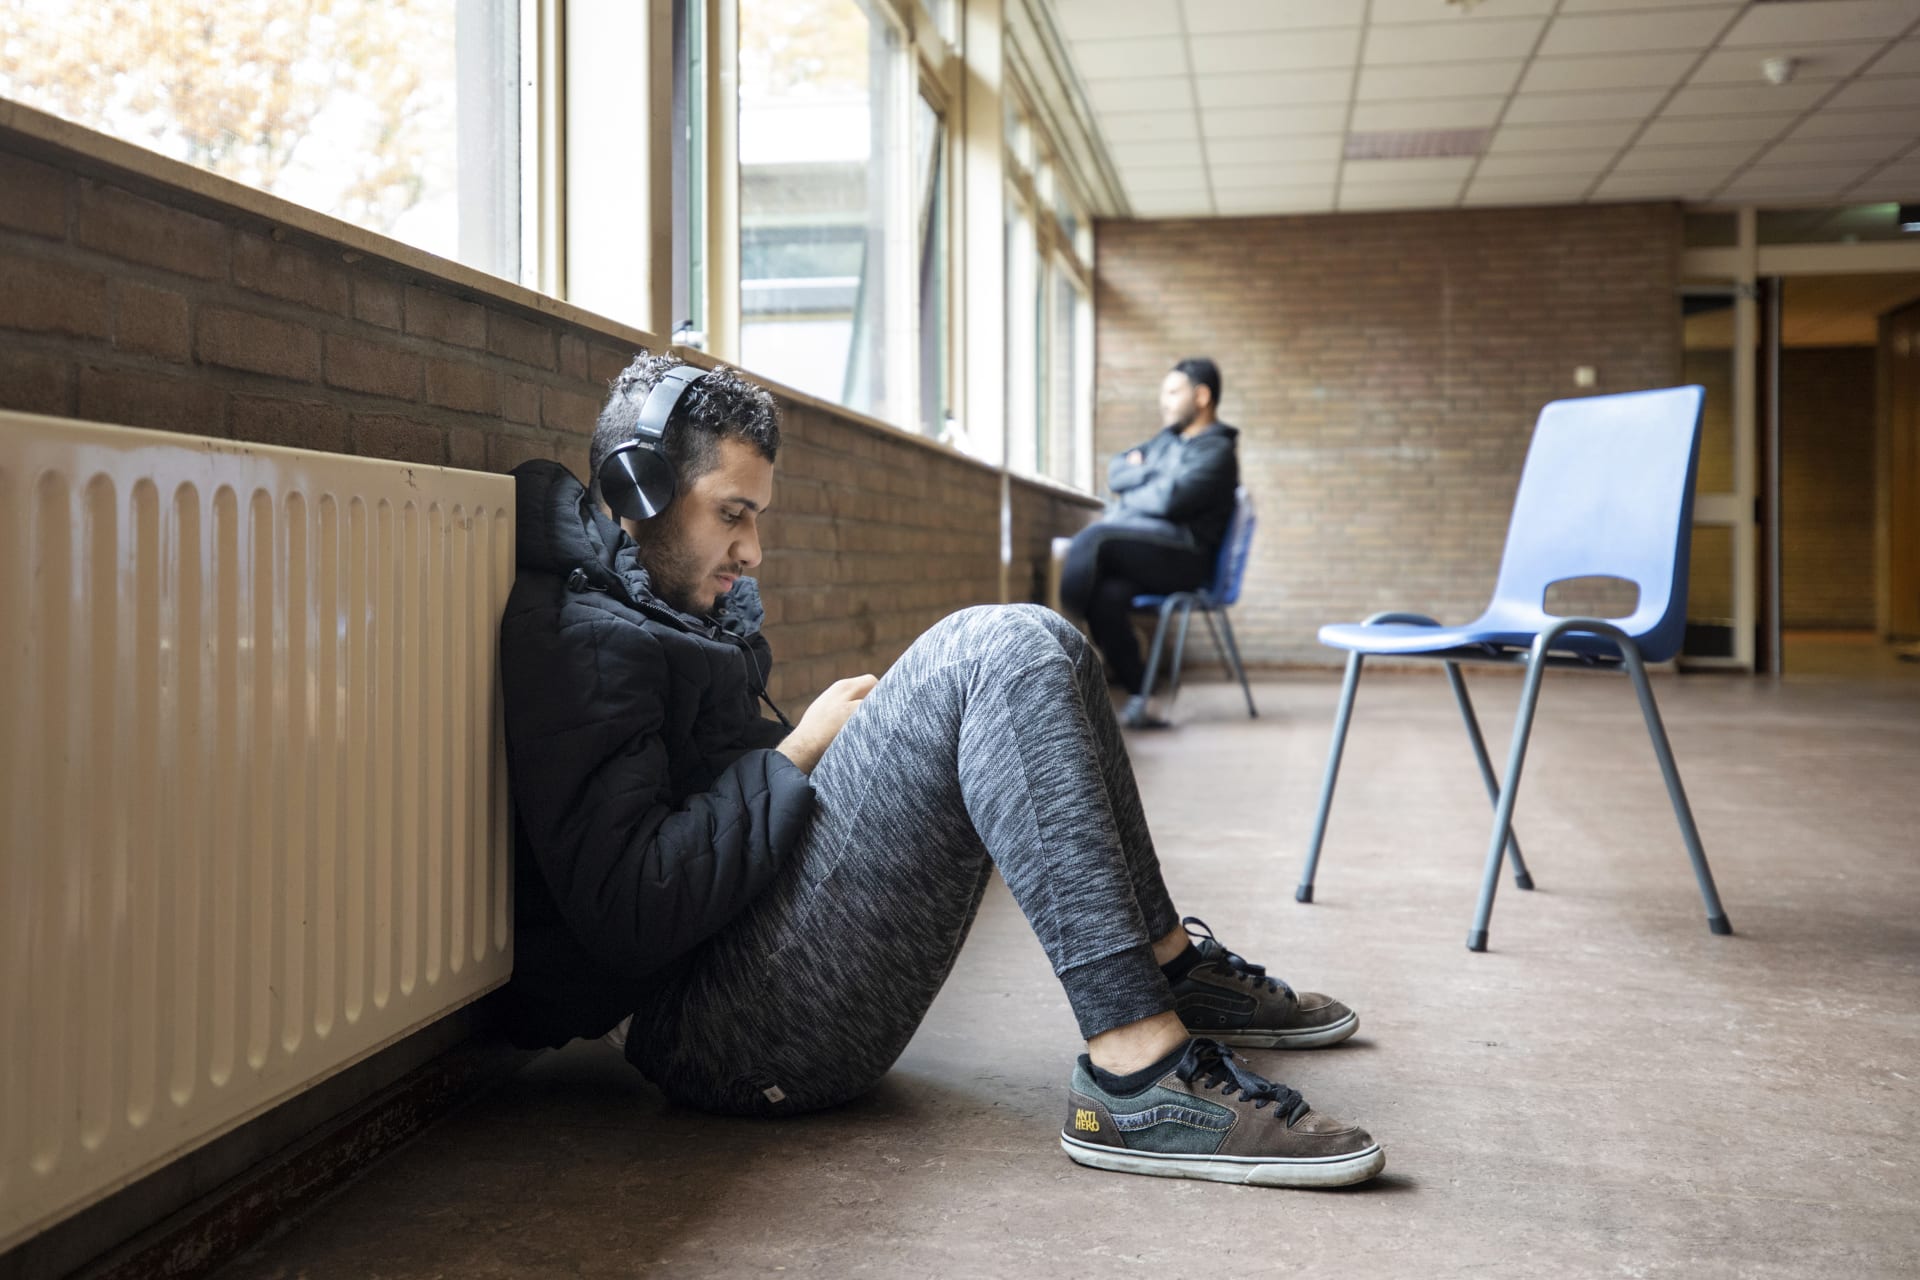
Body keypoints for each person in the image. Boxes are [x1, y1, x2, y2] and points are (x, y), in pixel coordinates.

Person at [496, 351, 1382, 1189]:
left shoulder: (661, 606)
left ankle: (1169, 968)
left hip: (747, 951)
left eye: (756, 516)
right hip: (715, 1033)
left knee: (1049, 644)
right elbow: (632, 909)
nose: (753, 549)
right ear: (640, 490)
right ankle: (1136, 1075)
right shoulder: (584, 642)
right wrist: (798, 750)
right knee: (997, 651)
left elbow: (701, 796)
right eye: (733, 514)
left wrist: (809, 754)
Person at [1059, 357, 1240, 728]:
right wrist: (1156, 474)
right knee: (1107, 597)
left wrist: (1140, 482)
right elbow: (1117, 471)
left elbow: (1170, 500)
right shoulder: (1166, 442)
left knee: (1094, 539)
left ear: (1202, 396)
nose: (1164, 401)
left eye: (1173, 392)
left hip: (1186, 556)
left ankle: (1058, 659)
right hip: (1148, 549)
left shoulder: (1217, 451)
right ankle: (1145, 695)